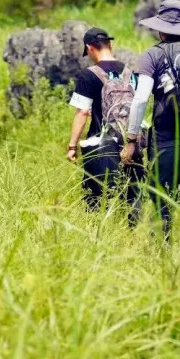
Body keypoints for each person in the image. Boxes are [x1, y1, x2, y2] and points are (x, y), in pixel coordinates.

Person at [121, 0, 180, 235]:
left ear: (160, 29)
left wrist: (131, 140)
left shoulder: (153, 55)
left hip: (166, 139)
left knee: (161, 200)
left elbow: (140, 99)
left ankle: (162, 250)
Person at [68, 27, 142, 220]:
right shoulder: (131, 73)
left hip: (101, 145)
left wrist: (72, 146)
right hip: (132, 143)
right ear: (110, 44)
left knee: (96, 199)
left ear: (89, 48)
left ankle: (99, 234)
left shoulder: (87, 75)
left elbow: (82, 112)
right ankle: (134, 233)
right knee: (133, 197)